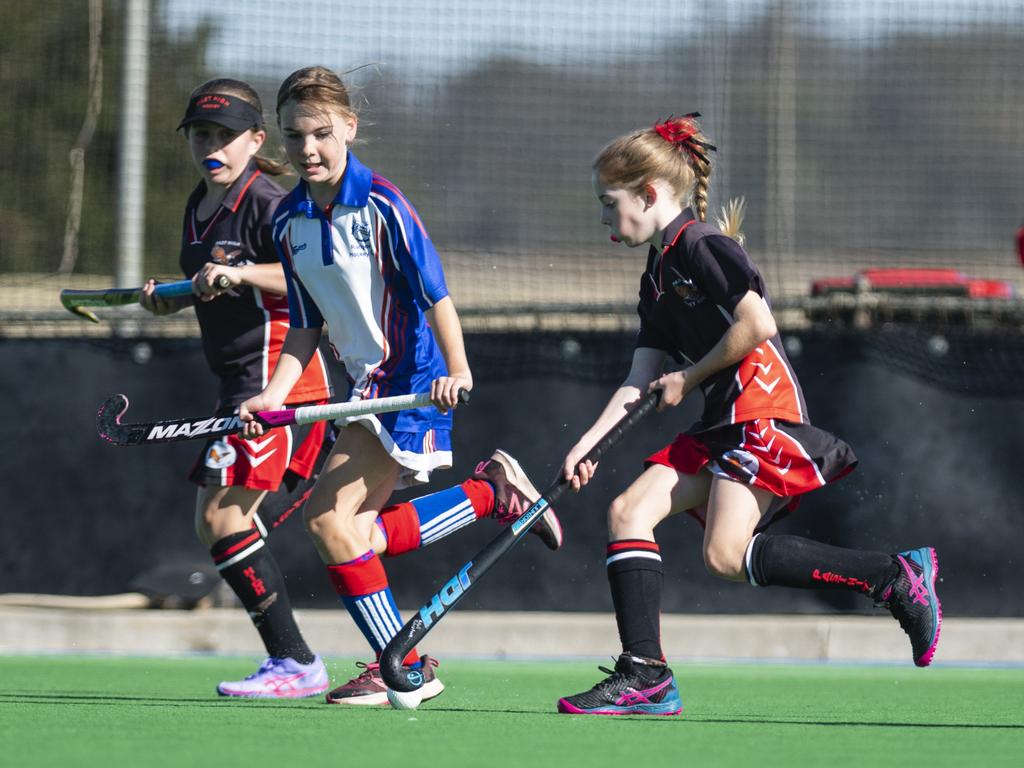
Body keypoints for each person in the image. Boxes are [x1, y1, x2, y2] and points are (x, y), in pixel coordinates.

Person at [555, 114, 941, 717]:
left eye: (610, 204)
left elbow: (757, 324)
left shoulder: (704, 246)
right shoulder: (656, 277)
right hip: (721, 421)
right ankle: (646, 675)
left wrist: (688, 375)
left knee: (725, 554)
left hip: (760, 410)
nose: (605, 219)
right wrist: (590, 444)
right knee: (629, 512)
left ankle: (894, 578)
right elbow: (637, 380)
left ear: (650, 194)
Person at [238, 66, 563, 706]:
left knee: (334, 523)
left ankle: (403, 665)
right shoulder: (288, 221)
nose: (308, 149)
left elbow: (435, 294)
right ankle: (489, 494)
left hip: (412, 377)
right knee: (355, 532)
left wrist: (456, 368)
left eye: (322, 133)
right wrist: (273, 397)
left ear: (350, 129)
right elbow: (303, 329)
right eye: (295, 135)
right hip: (364, 383)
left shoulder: (382, 204)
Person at [139, 78, 335, 699]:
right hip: (237, 382)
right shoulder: (199, 204)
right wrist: (171, 298)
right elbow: (210, 286)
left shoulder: (269, 201)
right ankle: (485, 497)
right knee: (227, 521)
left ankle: (295, 664)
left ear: (256, 139)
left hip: (279, 380)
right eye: (201, 134)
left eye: (225, 136)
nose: (211, 146)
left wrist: (239, 271)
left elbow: (313, 275)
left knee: (224, 518)